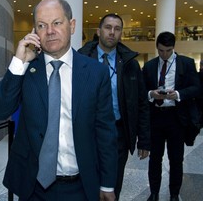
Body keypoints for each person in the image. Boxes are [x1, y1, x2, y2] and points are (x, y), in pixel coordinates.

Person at [0, 0, 118, 201]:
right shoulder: (27, 69)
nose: (50, 31)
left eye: (57, 23)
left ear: (72, 25)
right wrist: (18, 62)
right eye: (42, 25)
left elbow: (105, 131)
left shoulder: (95, 73)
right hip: (33, 186)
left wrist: (107, 182)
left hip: (81, 186)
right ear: (35, 32)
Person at [78, 13, 151, 200]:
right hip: (87, 132)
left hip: (118, 133)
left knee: (113, 185)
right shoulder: (80, 60)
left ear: (121, 34)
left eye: (117, 29)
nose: (112, 32)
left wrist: (144, 139)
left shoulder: (130, 65)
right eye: (108, 27)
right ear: (98, 31)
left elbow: (141, 103)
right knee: (86, 184)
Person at [142, 31, 200, 201]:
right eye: (161, 50)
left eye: (168, 50)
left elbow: (196, 88)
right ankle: (154, 193)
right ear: (157, 48)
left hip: (176, 118)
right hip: (156, 118)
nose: (164, 54)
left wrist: (178, 94)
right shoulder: (150, 66)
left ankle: (174, 194)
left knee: (176, 159)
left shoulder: (186, 63)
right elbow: (141, 91)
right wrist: (151, 94)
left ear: (174, 47)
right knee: (155, 159)